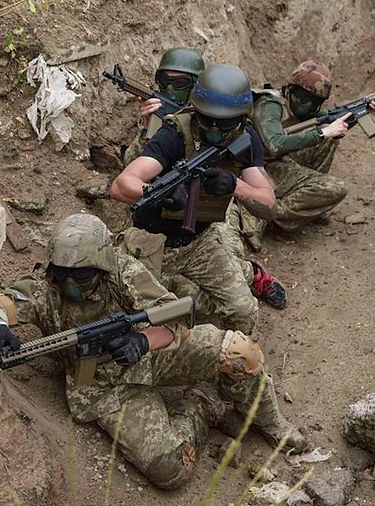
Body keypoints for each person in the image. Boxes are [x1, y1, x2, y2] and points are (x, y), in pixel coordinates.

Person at [0, 213, 307, 490]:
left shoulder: (124, 272)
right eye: (64, 276)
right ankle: (202, 404)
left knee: (241, 353)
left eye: (83, 276)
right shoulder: (45, 289)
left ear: (103, 265)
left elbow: (172, 314)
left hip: (153, 354)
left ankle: (271, 422)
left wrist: (142, 341)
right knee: (171, 469)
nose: (72, 284)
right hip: (103, 387)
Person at [110, 64, 287, 334]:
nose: (213, 128)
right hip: (152, 244)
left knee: (244, 311)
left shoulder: (245, 137)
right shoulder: (173, 134)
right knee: (138, 321)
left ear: (241, 119)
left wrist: (235, 185)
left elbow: (269, 204)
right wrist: (155, 191)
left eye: (224, 123)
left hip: (200, 242)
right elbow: (121, 185)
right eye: (206, 120)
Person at [243, 60, 375, 251]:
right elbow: (275, 144)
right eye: (304, 97)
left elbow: (331, 118)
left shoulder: (303, 109)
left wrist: (362, 110)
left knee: (330, 134)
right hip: (257, 168)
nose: (308, 105)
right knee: (335, 187)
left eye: (316, 102)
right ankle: (268, 213)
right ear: (291, 88)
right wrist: (323, 133)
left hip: (277, 162)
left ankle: (297, 203)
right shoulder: (270, 104)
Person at [123, 48, 206, 166]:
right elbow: (131, 164)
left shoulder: (206, 116)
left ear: (195, 86)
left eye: (180, 82)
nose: (170, 87)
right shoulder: (159, 111)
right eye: (164, 80)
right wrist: (147, 127)